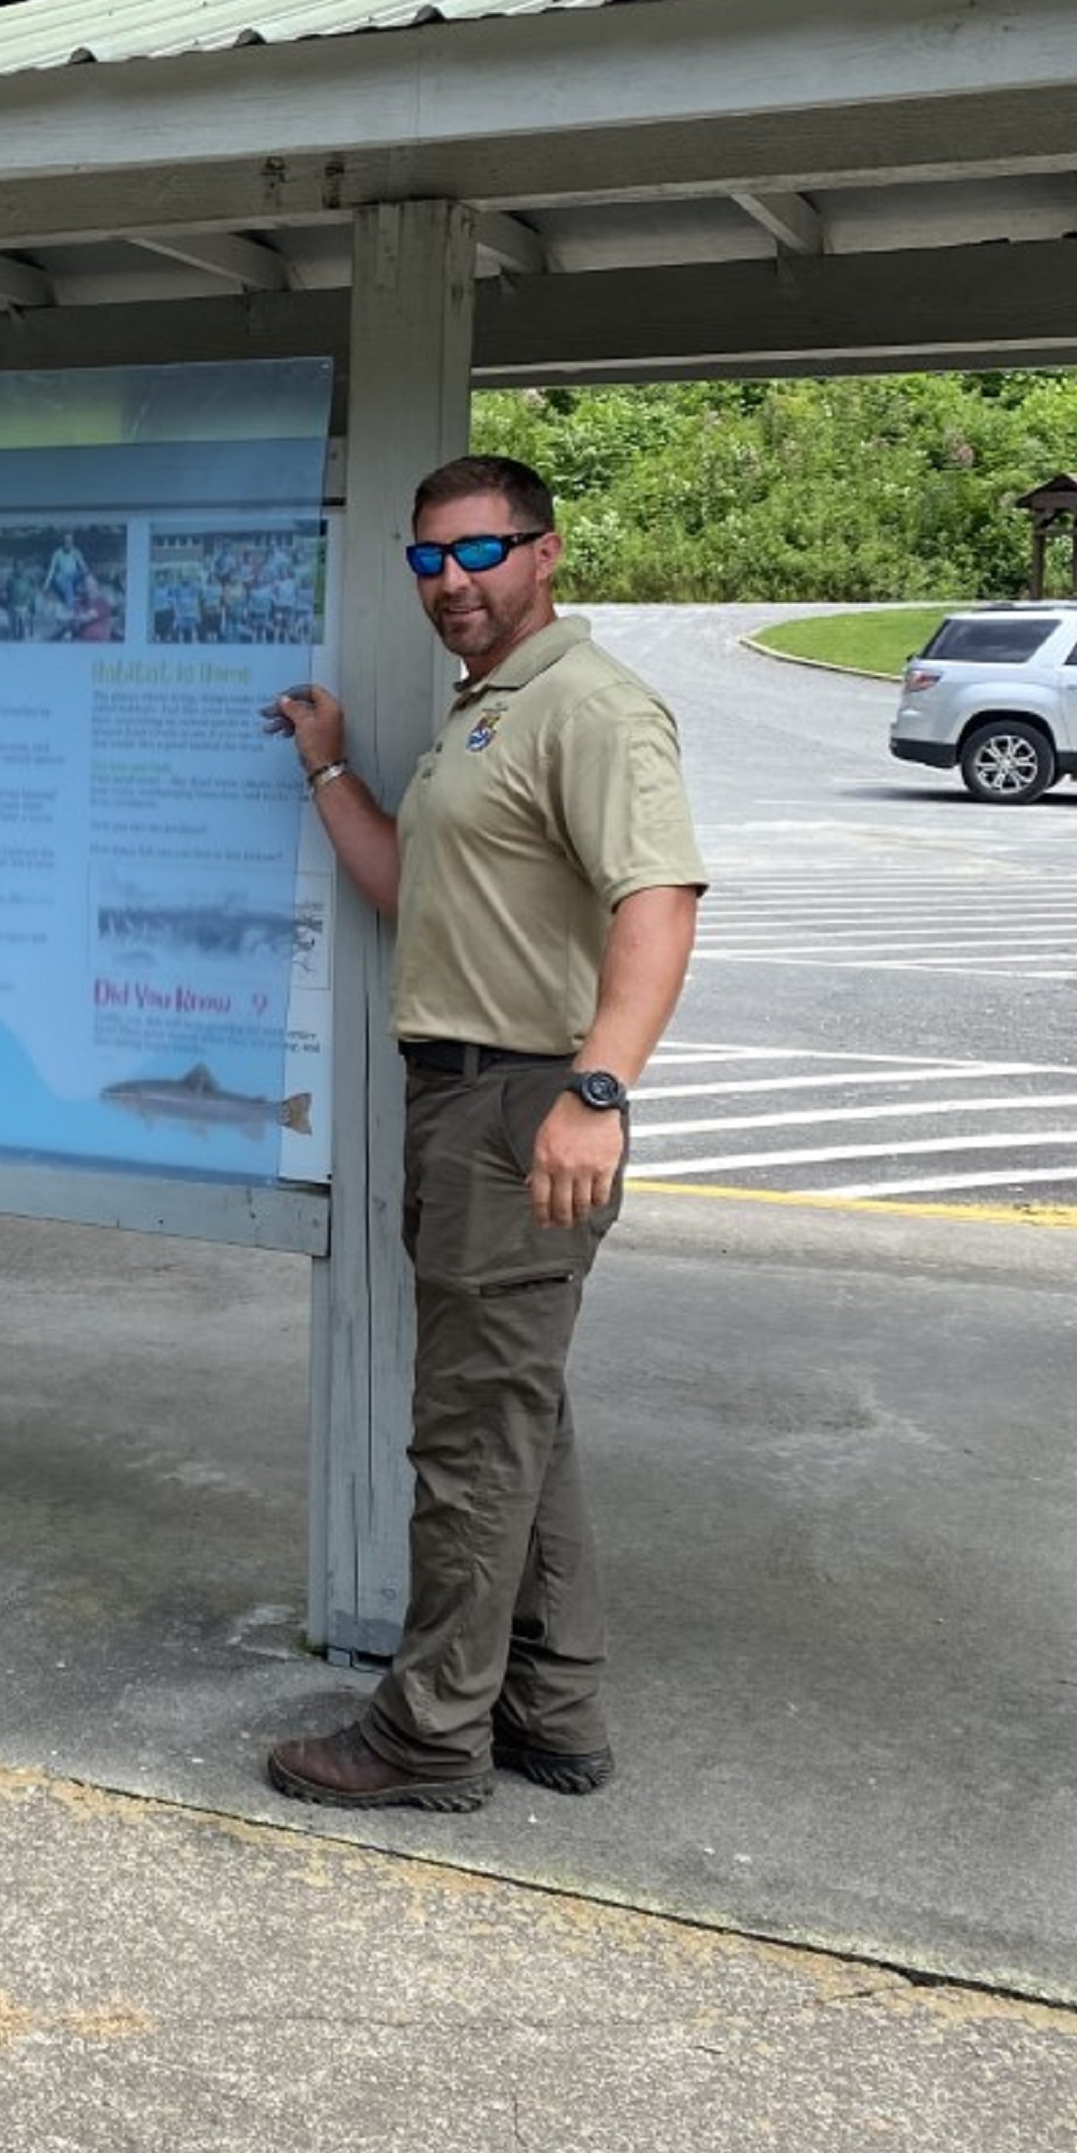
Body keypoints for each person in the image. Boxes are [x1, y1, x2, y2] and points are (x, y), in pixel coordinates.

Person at [263, 455, 704, 1808]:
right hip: (465, 1099)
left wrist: (595, 1093)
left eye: (479, 551)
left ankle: (428, 1734)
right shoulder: (489, 710)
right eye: (428, 558)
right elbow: (414, 884)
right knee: (518, 1419)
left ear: (545, 552)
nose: (451, 581)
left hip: (524, 1102)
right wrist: (328, 767)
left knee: (470, 1440)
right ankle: (550, 1708)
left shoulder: (591, 706)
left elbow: (659, 898)